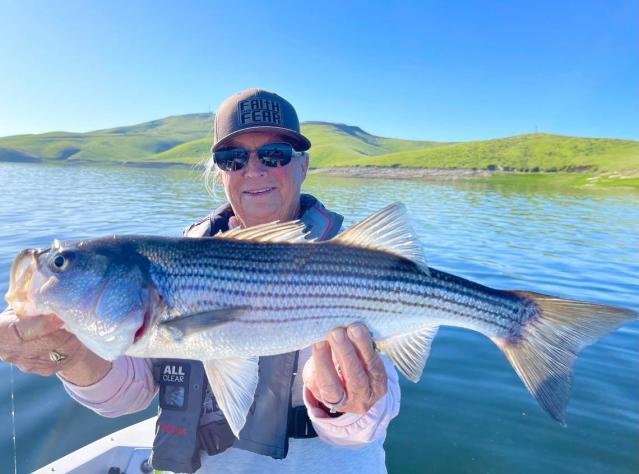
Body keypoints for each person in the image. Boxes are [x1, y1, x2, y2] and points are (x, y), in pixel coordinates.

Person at [0, 89, 400, 473]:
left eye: (275, 155)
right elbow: (129, 394)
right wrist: (69, 355)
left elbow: (369, 425)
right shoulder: (180, 255)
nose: (254, 169)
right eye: (233, 158)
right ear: (220, 171)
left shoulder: (353, 263)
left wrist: (346, 404)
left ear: (303, 166)